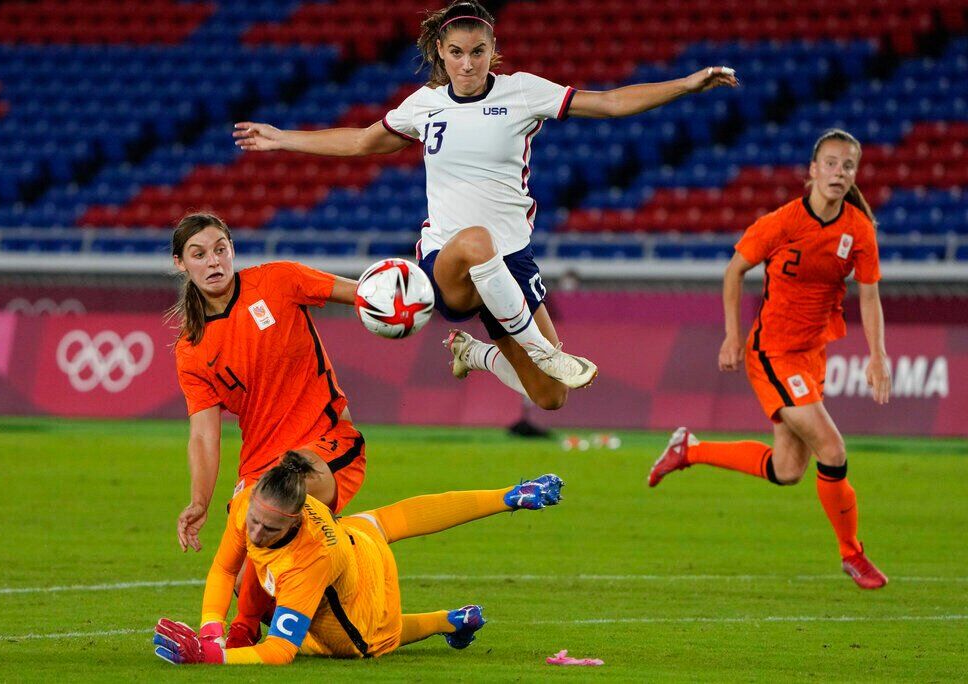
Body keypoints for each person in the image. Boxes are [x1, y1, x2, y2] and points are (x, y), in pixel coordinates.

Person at [232, 0, 738, 411]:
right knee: (476, 242)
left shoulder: (523, 93)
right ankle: (542, 350)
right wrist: (282, 138)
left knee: (551, 397)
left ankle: (475, 353)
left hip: (513, 266)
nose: (467, 63)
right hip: (447, 263)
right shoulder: (425, 104)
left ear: (493, 49)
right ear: (440, 51)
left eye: (478, 51)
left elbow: (609, 102)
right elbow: (363, 142)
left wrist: (686, 84)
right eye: (456, 52)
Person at [648, 129, 892, 590]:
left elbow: (871, 295)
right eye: (832, 164)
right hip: (773, 352)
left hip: (811, 354)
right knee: (833, 450)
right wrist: (732, 337)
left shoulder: (859, 230)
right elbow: (733, 271)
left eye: (848, 166)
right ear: (813, 171)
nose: (839, 173)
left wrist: (878, 355)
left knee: (787, 470)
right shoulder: (781, 222)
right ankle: (852, 554)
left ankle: (689, 450)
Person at [152, 453, 565, 665]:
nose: (256, 533)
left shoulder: (308, 557)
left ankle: (446, 620)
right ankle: (508, 495)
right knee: (388, 518)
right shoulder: (248, 502)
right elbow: (223, 566)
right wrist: (209, 630)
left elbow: (280, 651)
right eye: (254, 523)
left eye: (269, 530)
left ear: (295, 521)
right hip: (357, 541)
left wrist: (210, 654)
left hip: (354, 602)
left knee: (369, 640)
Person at [170, 212, 366, 646]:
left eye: (221, 249)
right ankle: (322, 597)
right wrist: (200, 500)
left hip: (329, 443)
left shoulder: (278, 280)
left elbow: (361, 295)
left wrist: (398, 304)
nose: (213, 261)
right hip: (260, 463)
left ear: (232, 250)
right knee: (249, 572)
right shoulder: (191, 350)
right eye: (199, 254)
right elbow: (204, 434)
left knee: (280, 501)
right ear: (181, 264)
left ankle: (240, 630)